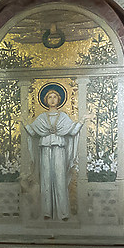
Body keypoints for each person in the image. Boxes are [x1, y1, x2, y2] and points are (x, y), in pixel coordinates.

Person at [24, 82, 79, 221]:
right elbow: (32, 131)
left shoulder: (64, 117)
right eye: (50, 97)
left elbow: (72, 130)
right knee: (46, 180)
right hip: (44, 149)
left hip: (59, 149)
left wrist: (82, 121)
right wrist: (23, 122)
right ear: (45, 100)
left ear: (59, 99)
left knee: (60, 179)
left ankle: (63, 213)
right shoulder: (42, 117)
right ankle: (47, 211)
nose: (52, 99)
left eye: (55, 97)